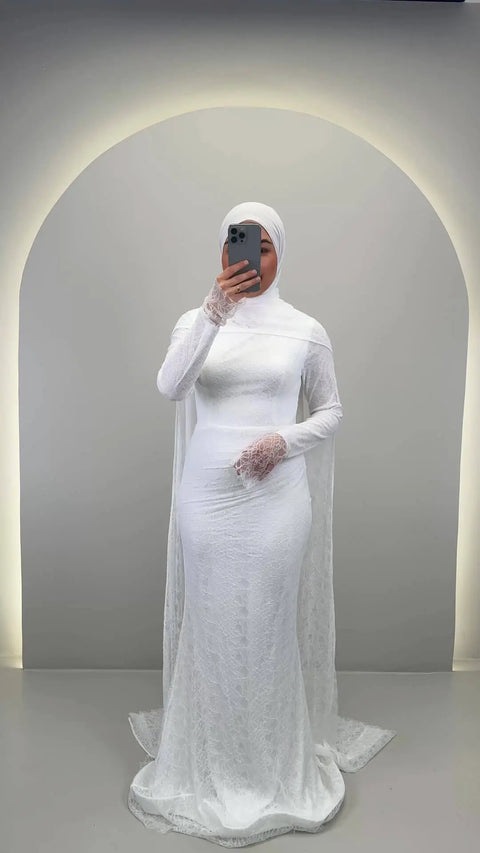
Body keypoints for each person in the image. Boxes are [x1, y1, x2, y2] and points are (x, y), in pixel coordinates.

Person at [127, 202, 396, 846]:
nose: (247, 256)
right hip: (208, 498)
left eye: (261, 246)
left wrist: (283, 441)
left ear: (279, 253)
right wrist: (214, 312)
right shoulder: (197, 320)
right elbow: (171, 386)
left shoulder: (305, 330)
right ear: (223, 251)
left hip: (276, 499)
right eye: (236, 243)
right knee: (213, 623)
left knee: (267, 626)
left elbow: (331, 411)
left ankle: (268, 766)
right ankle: (212, 760)